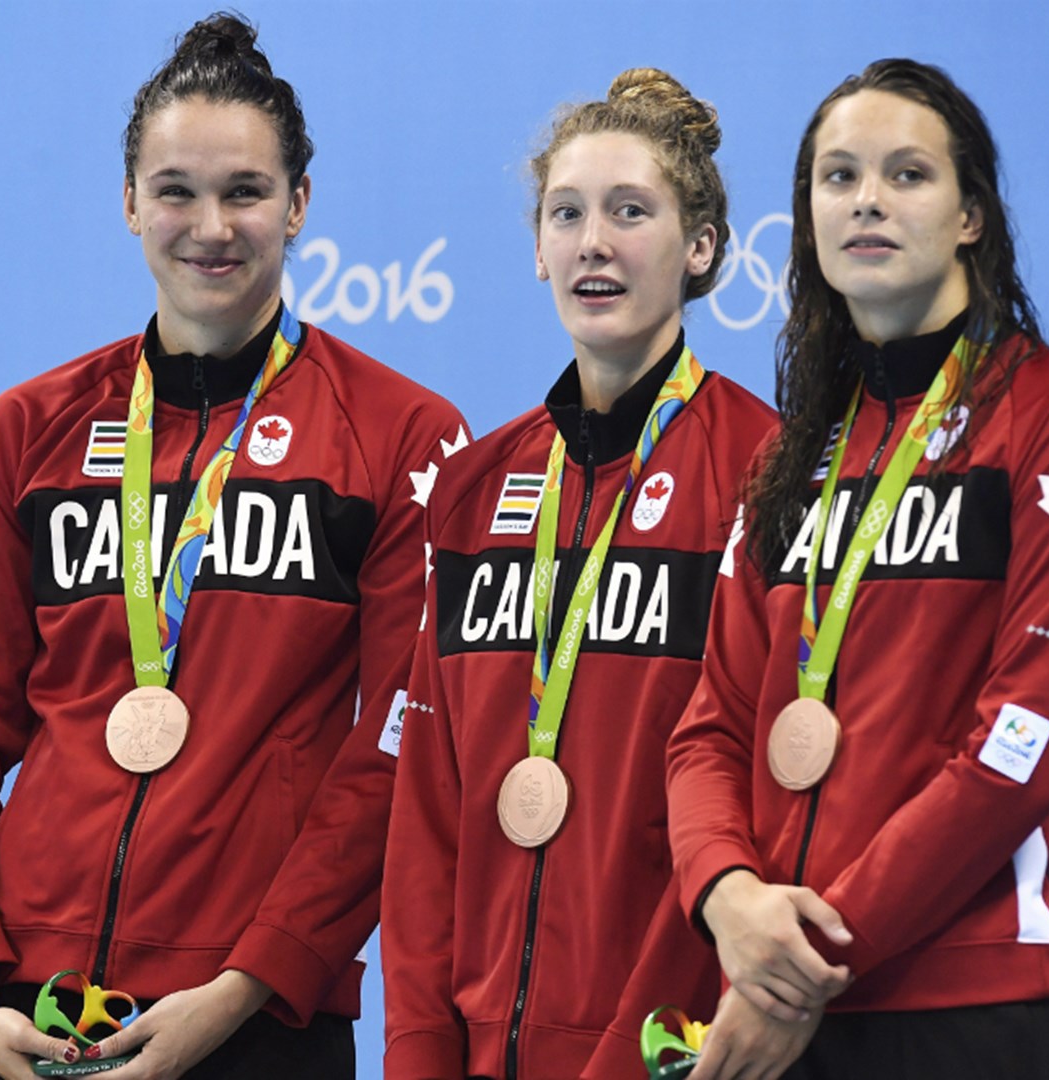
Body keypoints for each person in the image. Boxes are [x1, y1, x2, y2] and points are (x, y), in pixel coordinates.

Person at [0, 12, 465, 1080]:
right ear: (127, 204)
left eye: (245, 191)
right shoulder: (27, 428)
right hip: (24, 1010)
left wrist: (248, 985)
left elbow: (395, 751)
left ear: (299, 204)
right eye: (175, 191)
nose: (211, 225)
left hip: (257, 1016)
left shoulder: (404, 437)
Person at [667, 59, 1049, 1080]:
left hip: (963, 1011)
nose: (868, 202)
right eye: (838, 178)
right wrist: (729, 897)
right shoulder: (786, 458)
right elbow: (709, 724)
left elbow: (1023, 746)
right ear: (806, 219)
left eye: (908, 175)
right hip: (775, 998)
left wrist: (804, 961)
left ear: (972, 214)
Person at [380, 68, 775, 1080]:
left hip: (670, 1051)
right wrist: (421, 1050)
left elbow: (752, 801)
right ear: (538, 248)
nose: (593, 242)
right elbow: (429, 807)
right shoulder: (472, 488)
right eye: (568, 214)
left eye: (629, 212)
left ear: (700, 248)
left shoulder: (765, 474)